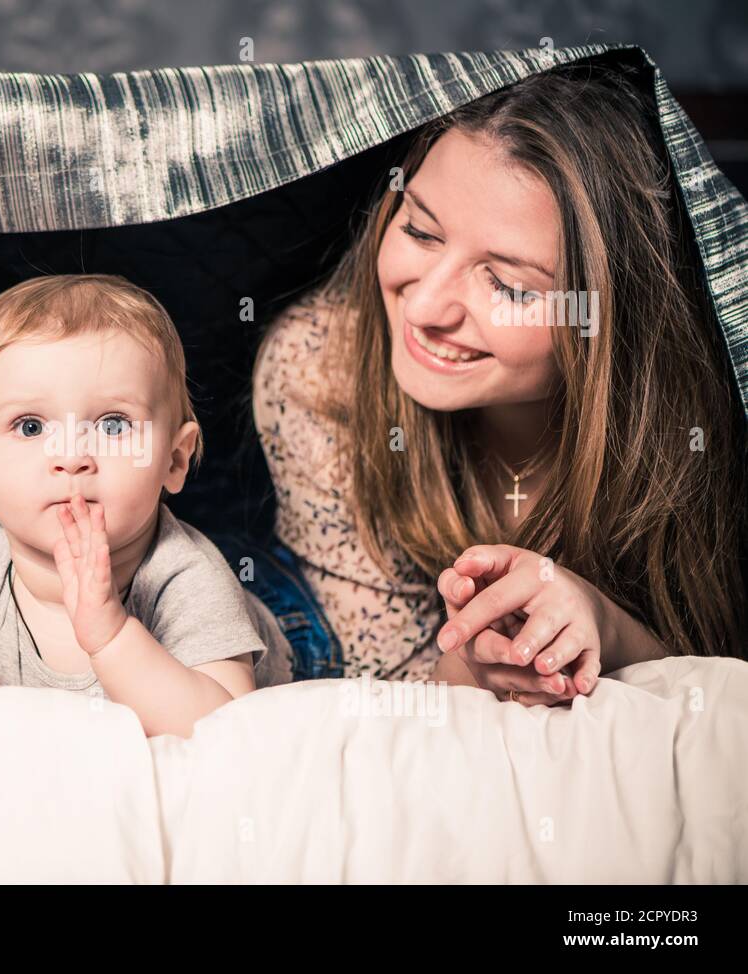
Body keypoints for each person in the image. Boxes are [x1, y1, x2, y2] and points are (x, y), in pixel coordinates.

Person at [253, 64, 748, 705]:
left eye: (510, 287)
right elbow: (381, 702)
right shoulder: (319, 368)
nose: (427, 307)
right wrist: (484, 662)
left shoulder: (707, 433)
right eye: (420, 231)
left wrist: (613, 633)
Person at [0, 274, 290, 737]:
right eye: (30, 427)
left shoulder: (184, 577)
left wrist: (111, 636)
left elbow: (226, 732)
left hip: (289, 623)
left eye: (111, 424)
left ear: (175, 459)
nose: (71, 456)